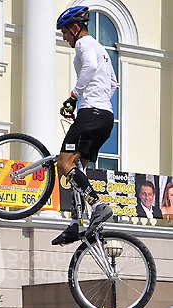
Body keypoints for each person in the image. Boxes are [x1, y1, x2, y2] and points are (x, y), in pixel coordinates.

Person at [52, 6, 117, 246]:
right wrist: (91, 106)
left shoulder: (84, 45)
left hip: (92, 113)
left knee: (63, 163)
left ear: (76, 28)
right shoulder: (102, 50)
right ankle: (76, 223)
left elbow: (88, 67)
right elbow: (112, 84)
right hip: (104, 117)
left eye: (65, 32)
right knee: (77, 169)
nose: (64, 37)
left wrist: (75, 96)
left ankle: (98, 205)